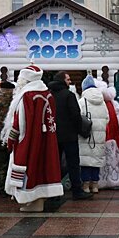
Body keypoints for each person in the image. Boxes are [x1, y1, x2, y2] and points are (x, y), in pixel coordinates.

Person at [1, 65, 64, 212]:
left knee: (30, 168)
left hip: (30, 141)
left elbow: (19, 123)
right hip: (47, 139)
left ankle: (32, 200)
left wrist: (11, 140)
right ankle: (38, 201)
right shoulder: (47, 94)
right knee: (43, 168)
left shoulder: (27, 96)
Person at [48, 72, 92, 200]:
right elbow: (75, 115)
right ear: (62, 81)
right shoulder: (69, 95)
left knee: (54, 164)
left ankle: (54, 193)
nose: (70, 81)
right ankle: (76, 191)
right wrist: (80, 130)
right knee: (73, 163)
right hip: (69, 136)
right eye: (68, 79)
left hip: (53, 135)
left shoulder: (49, 95)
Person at [78, 76, 109, 193]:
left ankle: (85, 185)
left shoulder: (81, 102)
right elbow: (107, 119)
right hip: (99, 136)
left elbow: (77, 118)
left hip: (85, 135)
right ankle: (95, 185)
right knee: (96, 160)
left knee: (86, 160)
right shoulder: (102, 102)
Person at [99, 85, 119, 189]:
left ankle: (103, 180)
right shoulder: (112, 103)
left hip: (104, 136)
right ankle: (117, 178)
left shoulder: (102, 104)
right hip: (114, 136)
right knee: (114, 155)